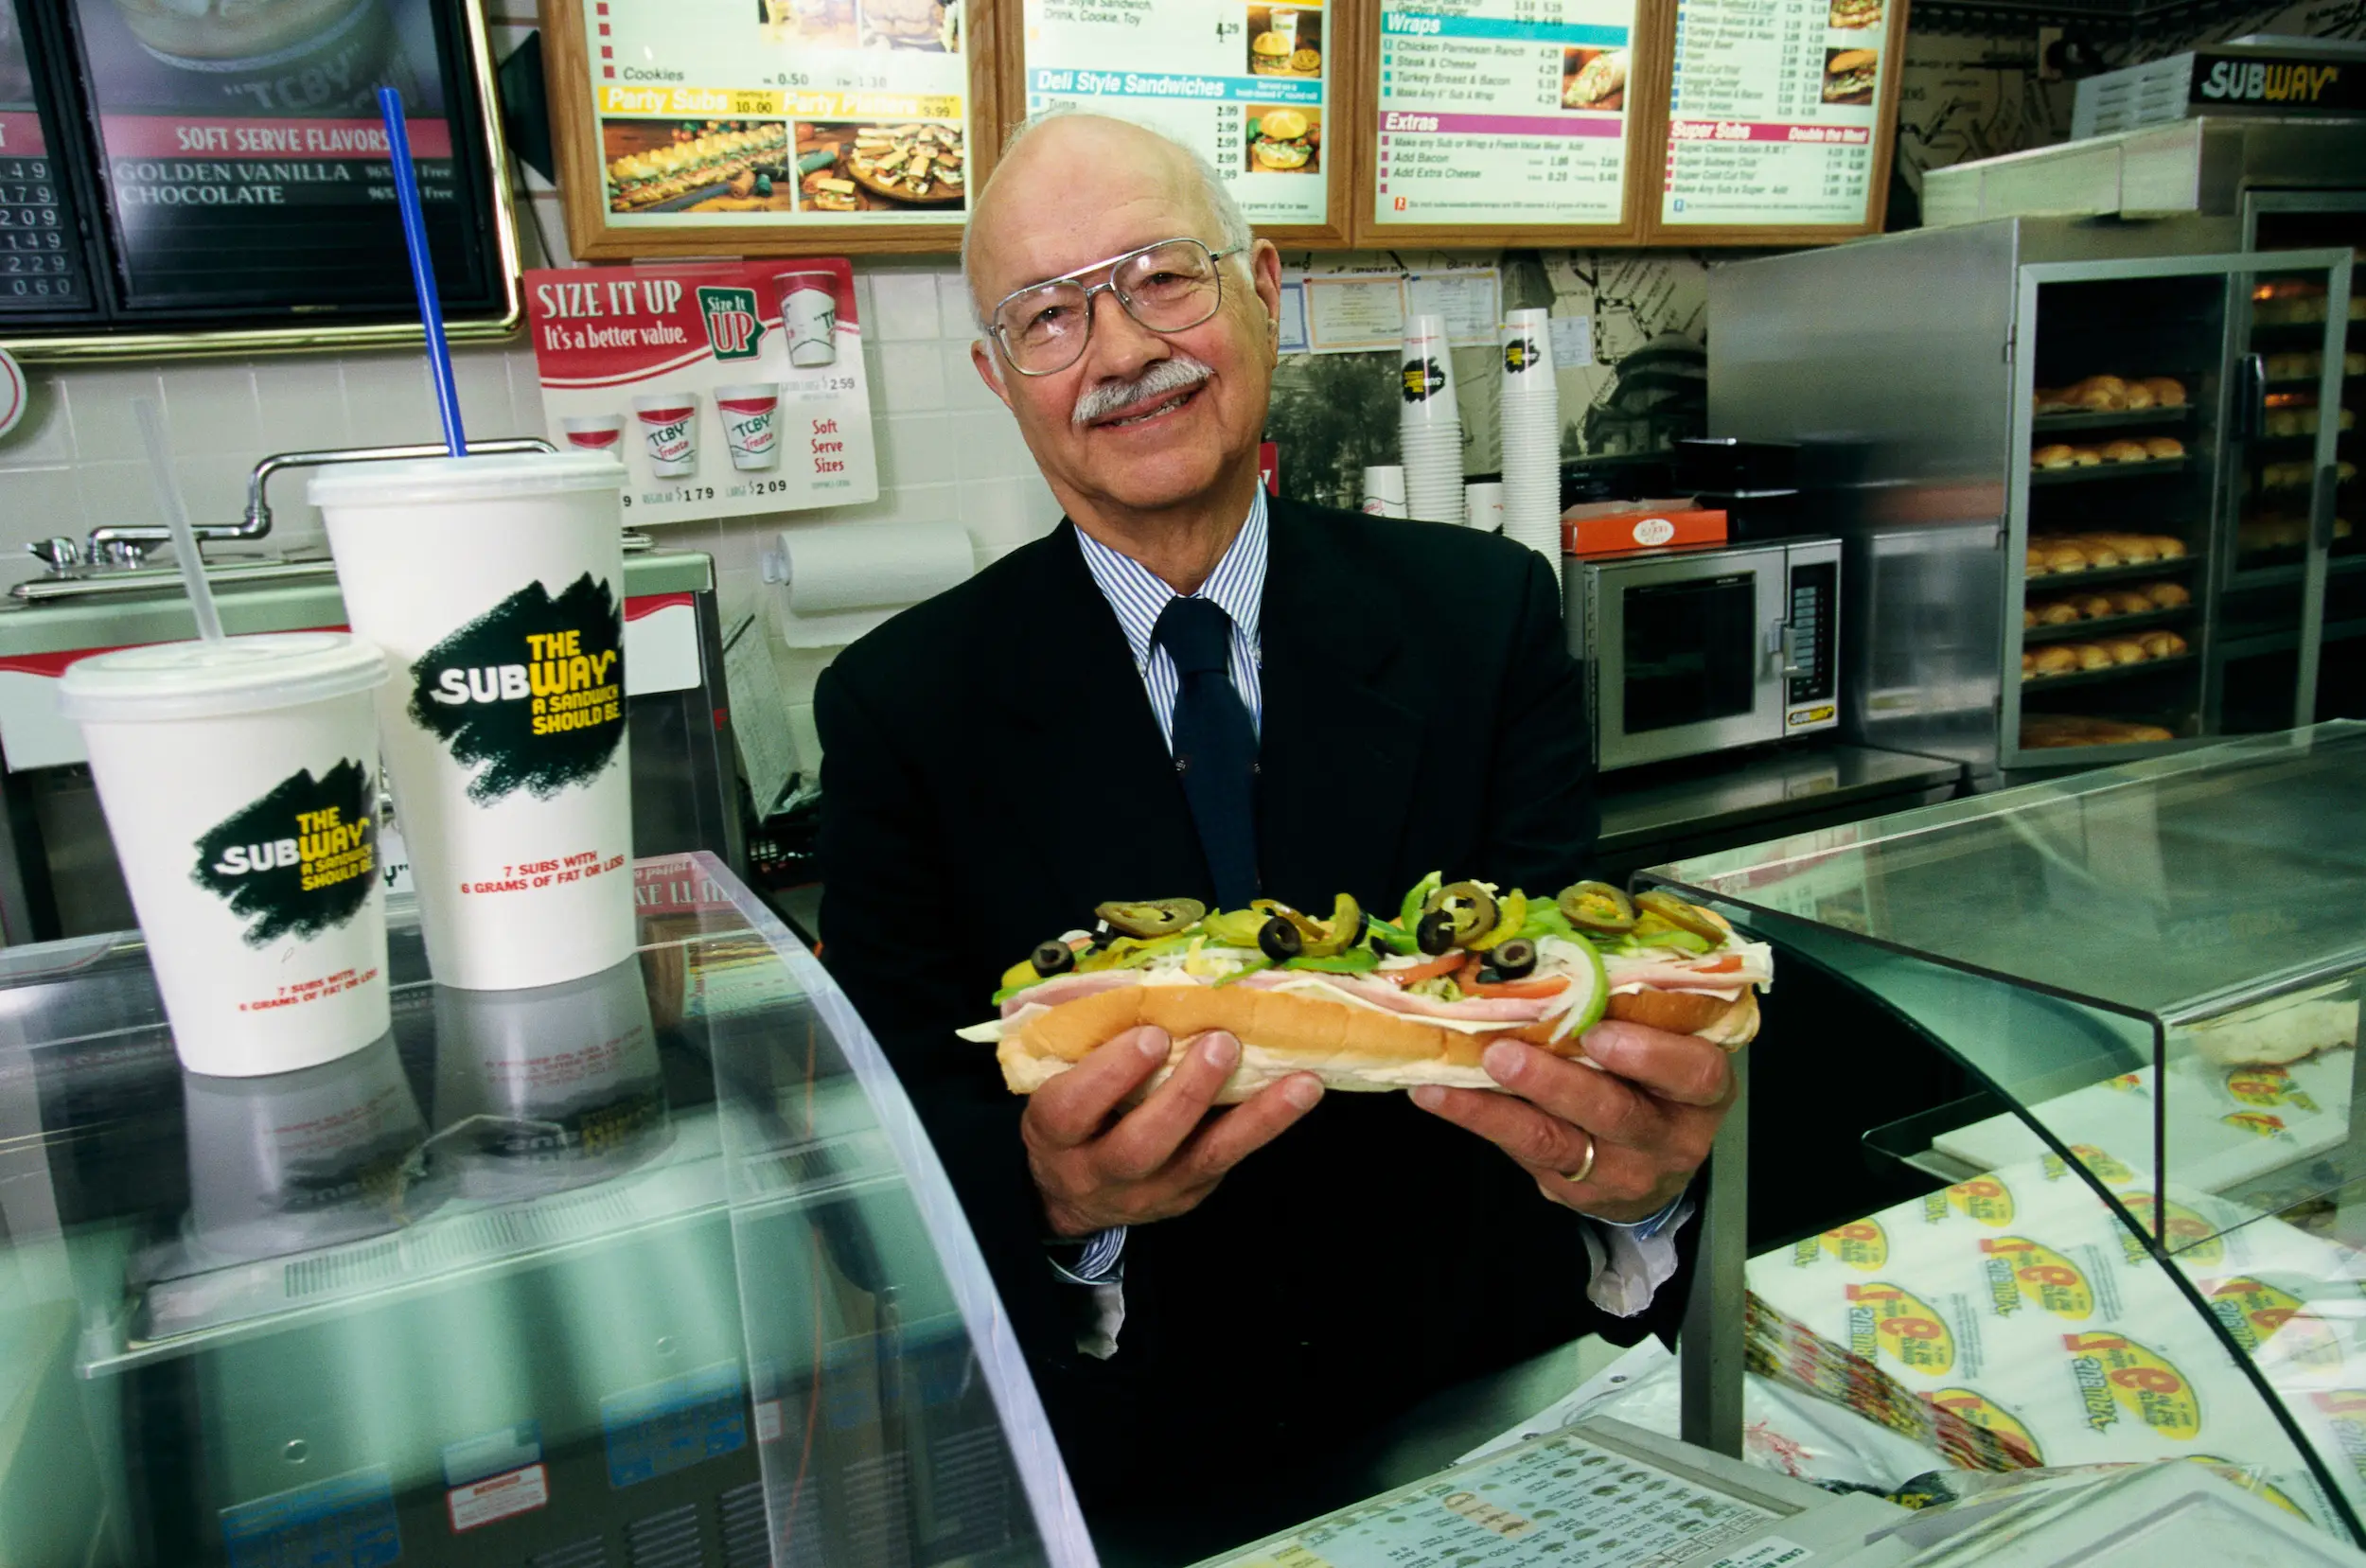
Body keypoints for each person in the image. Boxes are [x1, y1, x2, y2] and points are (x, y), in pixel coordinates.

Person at [816, 110, 1735, 1565]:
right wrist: (1059, 1197)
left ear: (1267, 287)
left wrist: (1646, 1177)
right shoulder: (899, 709)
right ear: (999, 380)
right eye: (1049, 316)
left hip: (1490, 1412)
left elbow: (1562, 1010)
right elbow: (889, 1158)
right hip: (1140, 1463)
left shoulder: (1483, 618)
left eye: (1164, 276)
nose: (1120, 350)